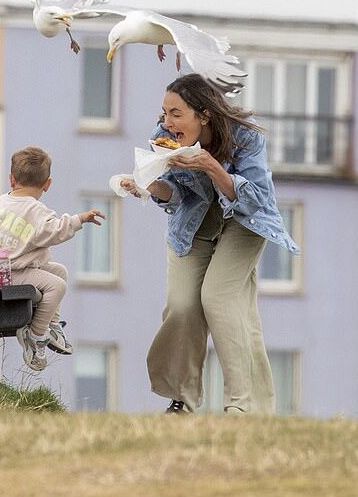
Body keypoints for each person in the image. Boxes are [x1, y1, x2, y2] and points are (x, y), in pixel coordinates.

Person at [121, 74, 299, 415]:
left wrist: (211, 166)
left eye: (176, 113)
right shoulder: (165, 139)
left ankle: (241, 406)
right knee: (183, 305)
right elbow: (177, 194)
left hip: (245, 224)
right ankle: (182, 400)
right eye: (164, 113)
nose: (167, 123)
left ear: (203, 115)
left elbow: (257, 200)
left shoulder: (245, 137)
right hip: (194, 226)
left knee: (218, 298)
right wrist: (149, 187)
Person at [0, 146, 105, 372]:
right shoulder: (36, 210)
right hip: (13, 273)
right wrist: (80, 219)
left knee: (59, 271)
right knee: (58, 285)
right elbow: (55, 230)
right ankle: (34, 336)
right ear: (47, 184)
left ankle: (52, 326)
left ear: (11, 179)